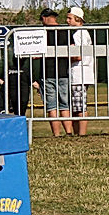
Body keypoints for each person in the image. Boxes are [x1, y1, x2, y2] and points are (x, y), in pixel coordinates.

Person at [35, 8, 72, 137]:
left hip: (47, 73)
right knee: (65, 105)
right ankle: (69, 132)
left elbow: (35, 54)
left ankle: (56, 134)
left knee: (51, 106)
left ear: (44, 18)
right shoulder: (65, 31)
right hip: (63, 72)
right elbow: (72, 49)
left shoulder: (42, 33)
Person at [66, 6, 95, 136]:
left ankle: (81, 134)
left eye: (70, 18)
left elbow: (78, 55)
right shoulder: (82, 33)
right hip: (82, 72)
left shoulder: (79, 34)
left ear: (77, 19)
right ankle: (78, 133)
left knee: (79, 106)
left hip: (79, 73)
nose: (67, 21)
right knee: (77, 105)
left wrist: (65, 55)